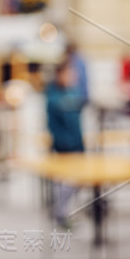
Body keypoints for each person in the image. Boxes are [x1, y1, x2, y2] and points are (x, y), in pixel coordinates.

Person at [45, 61, 87, 228]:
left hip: (76, 145)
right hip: (63, 147)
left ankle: (65, 211)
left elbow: (78, 123)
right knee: (63, 183)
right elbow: (54, 125)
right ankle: (61, 213)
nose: (71, 77)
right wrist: (64, 143)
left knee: (78, 181)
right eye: (68, 73)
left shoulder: (73, 92)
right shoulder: (53, 96)